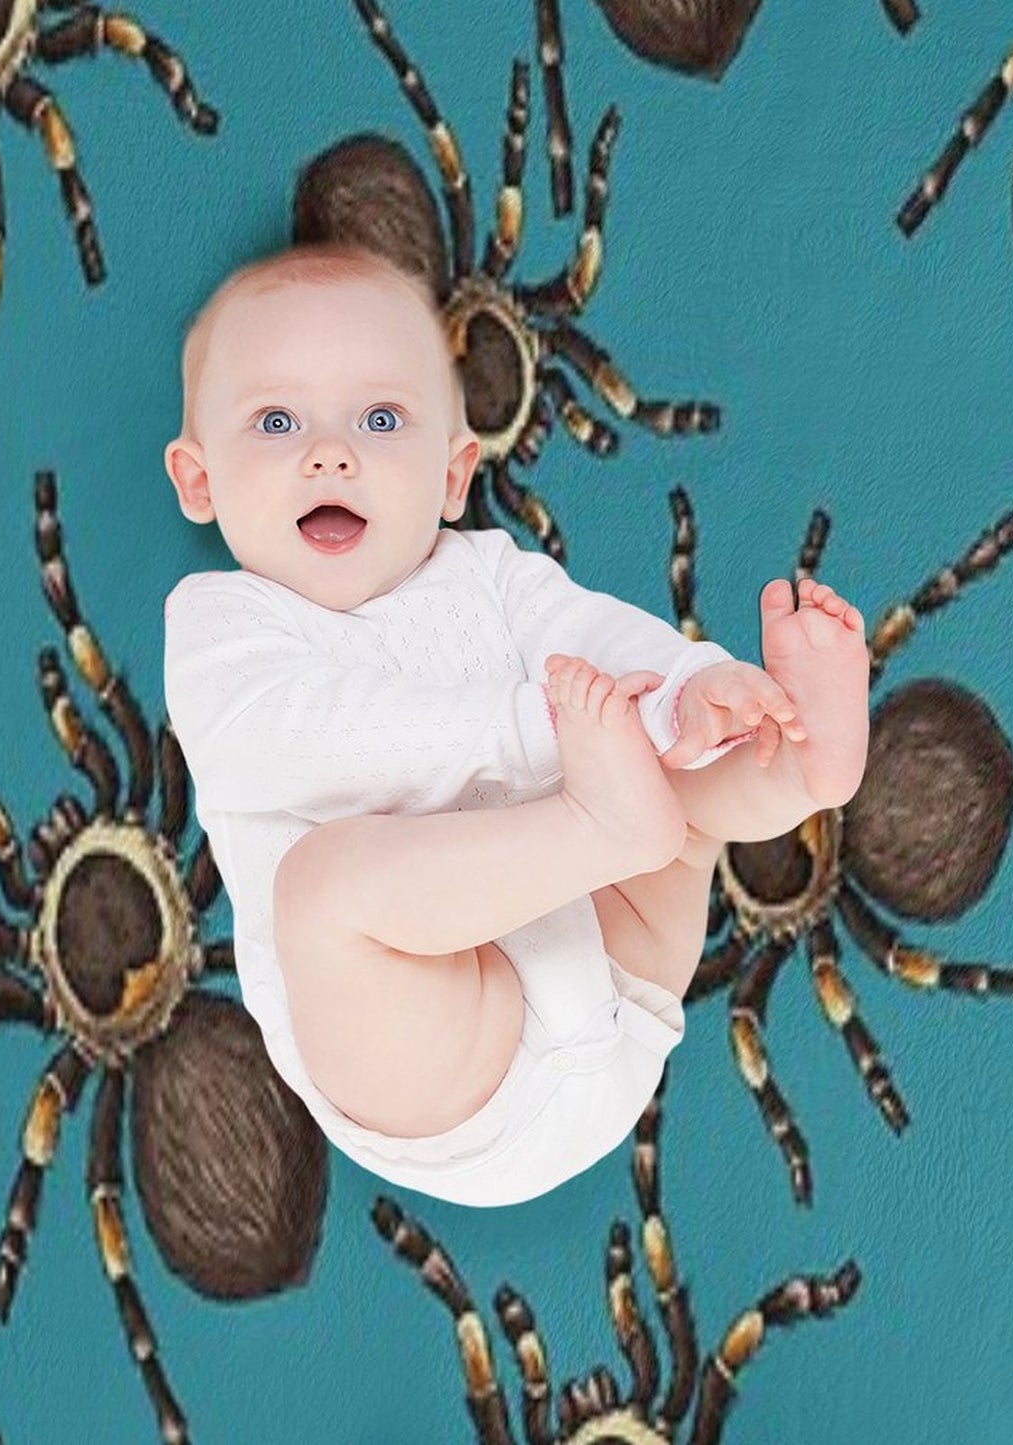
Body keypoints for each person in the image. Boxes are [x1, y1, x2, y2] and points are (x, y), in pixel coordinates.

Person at [162, 243, 870, 1206]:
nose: (331, 453)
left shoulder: (489, 575)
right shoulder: (223, 627)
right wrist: (543, 732)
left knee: (676, 779)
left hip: (620, 978)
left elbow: (594, 637)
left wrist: (686, 689)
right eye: (276, 420)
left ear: (454, 475)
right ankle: (607, 821)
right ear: (199, 481)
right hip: (448, 1064)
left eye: (380, 418)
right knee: (321, 890)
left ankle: (793, 767)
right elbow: (317, 741)